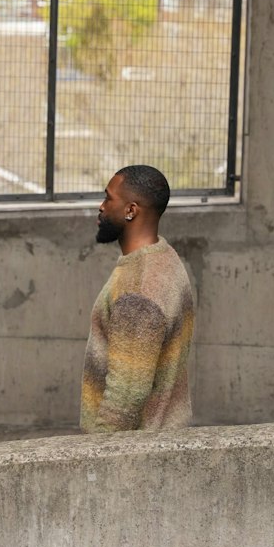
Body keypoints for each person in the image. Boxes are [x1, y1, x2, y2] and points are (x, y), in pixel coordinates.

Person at [81, 164, 195, 433]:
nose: (101, 206)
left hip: (135, 458)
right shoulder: (164, 256)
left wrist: (93, 462)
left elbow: (124, 400)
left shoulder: (139, 292)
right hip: (164, 438)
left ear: (131, 210)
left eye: (109, 198)